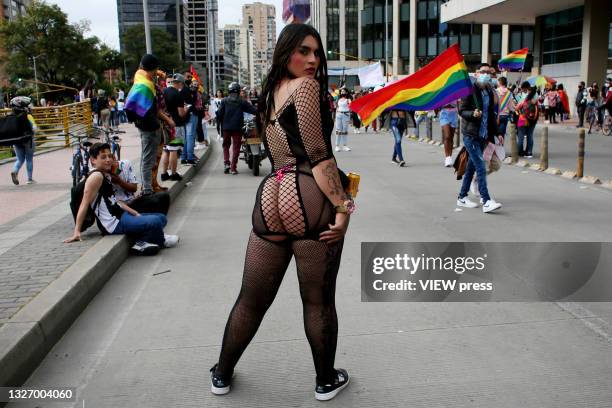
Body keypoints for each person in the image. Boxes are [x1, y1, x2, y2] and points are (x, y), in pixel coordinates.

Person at [210, 23, 352, 401]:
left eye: (317, 53)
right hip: (307, 195)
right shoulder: (306, 88)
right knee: (318, 300)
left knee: (251, 298)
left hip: (272, 194)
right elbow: (320, 157)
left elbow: (280, 152)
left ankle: (222, 373)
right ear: (285, 50)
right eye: (303, 51)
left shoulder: (271, 92)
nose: (312, 60)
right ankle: (326, 380)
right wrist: (344, 206)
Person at [63, 143, 178, 255]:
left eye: (109, 156)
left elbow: (115, 200)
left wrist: (134, 212)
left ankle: (148, 240)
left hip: (121, 215)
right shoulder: (96, 176)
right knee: (156, 222)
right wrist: (77, 231)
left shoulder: (105, 174)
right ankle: (153, 241)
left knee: (161, 218)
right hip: (113, 224)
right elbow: (84, 203)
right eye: (103, 157)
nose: (108, 160)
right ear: (93, 160)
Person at [456, 63, 503, 213]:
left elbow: (490, 116)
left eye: (488, 72)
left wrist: (497, 133)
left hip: (483, 135)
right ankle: (486, 200)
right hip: (470, 135)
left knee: (471, 168)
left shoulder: (489, 91)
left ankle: (462, 197)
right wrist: (472, 114)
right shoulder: (468, 90)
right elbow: (462, 110)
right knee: (481, 166)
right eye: (482, 71)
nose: (486, 74)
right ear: (476, 73)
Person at [124, 54, 163, 196]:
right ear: (153, 69)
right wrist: (155, 124)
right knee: (148, 158)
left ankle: (148, 186)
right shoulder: (145, 85)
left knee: (149, 157)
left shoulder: (140, 78)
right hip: (148, 127)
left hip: (145, 125)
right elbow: (134, 106)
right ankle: (146, 189)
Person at [216, 82, 257, 174]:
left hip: (226, 127)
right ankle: (233, 167)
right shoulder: (242, 101)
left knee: (226, 145)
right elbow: (253, 110)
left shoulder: (224, 101)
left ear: (229, 90)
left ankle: (226, 163)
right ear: (238, 91)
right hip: (238, 128)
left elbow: (219, 115)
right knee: (236, 148)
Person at [9, 96, 36, 185]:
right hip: (28, 140)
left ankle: (14, 171)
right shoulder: (28, 116)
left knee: (20, 159)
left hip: (16, 141)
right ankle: (29, 179)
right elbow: (34, 128)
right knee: (29, 159)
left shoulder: (12, 117)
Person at [516, 81, 538, 158]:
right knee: (530, 134)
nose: (522, 90)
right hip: (533, 118)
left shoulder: (525, 96)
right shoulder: (536, 94)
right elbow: (536, 104)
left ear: (525, 88)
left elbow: (518, 106)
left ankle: (520, 152)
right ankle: (529, 152)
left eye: (522, 89)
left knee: (521, 134)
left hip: (523, 118)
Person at [180, 71, 198, 164]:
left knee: (187, 137)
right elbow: (191, 103)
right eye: (188, 76)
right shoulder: (186, 90)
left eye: (190, 77)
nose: (189, 78)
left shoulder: (186, 89)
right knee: (190, 137)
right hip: (189, 115)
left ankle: (184, 157)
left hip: (184, 115)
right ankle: (189, 158)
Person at [440, 101, 459, 167]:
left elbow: (459, 103)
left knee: (451, 137)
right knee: (447, 136)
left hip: (454, 113)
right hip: (444, 113)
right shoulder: (443, 91)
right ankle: (447, 157)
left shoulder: (456, 92)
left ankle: (450, 156)